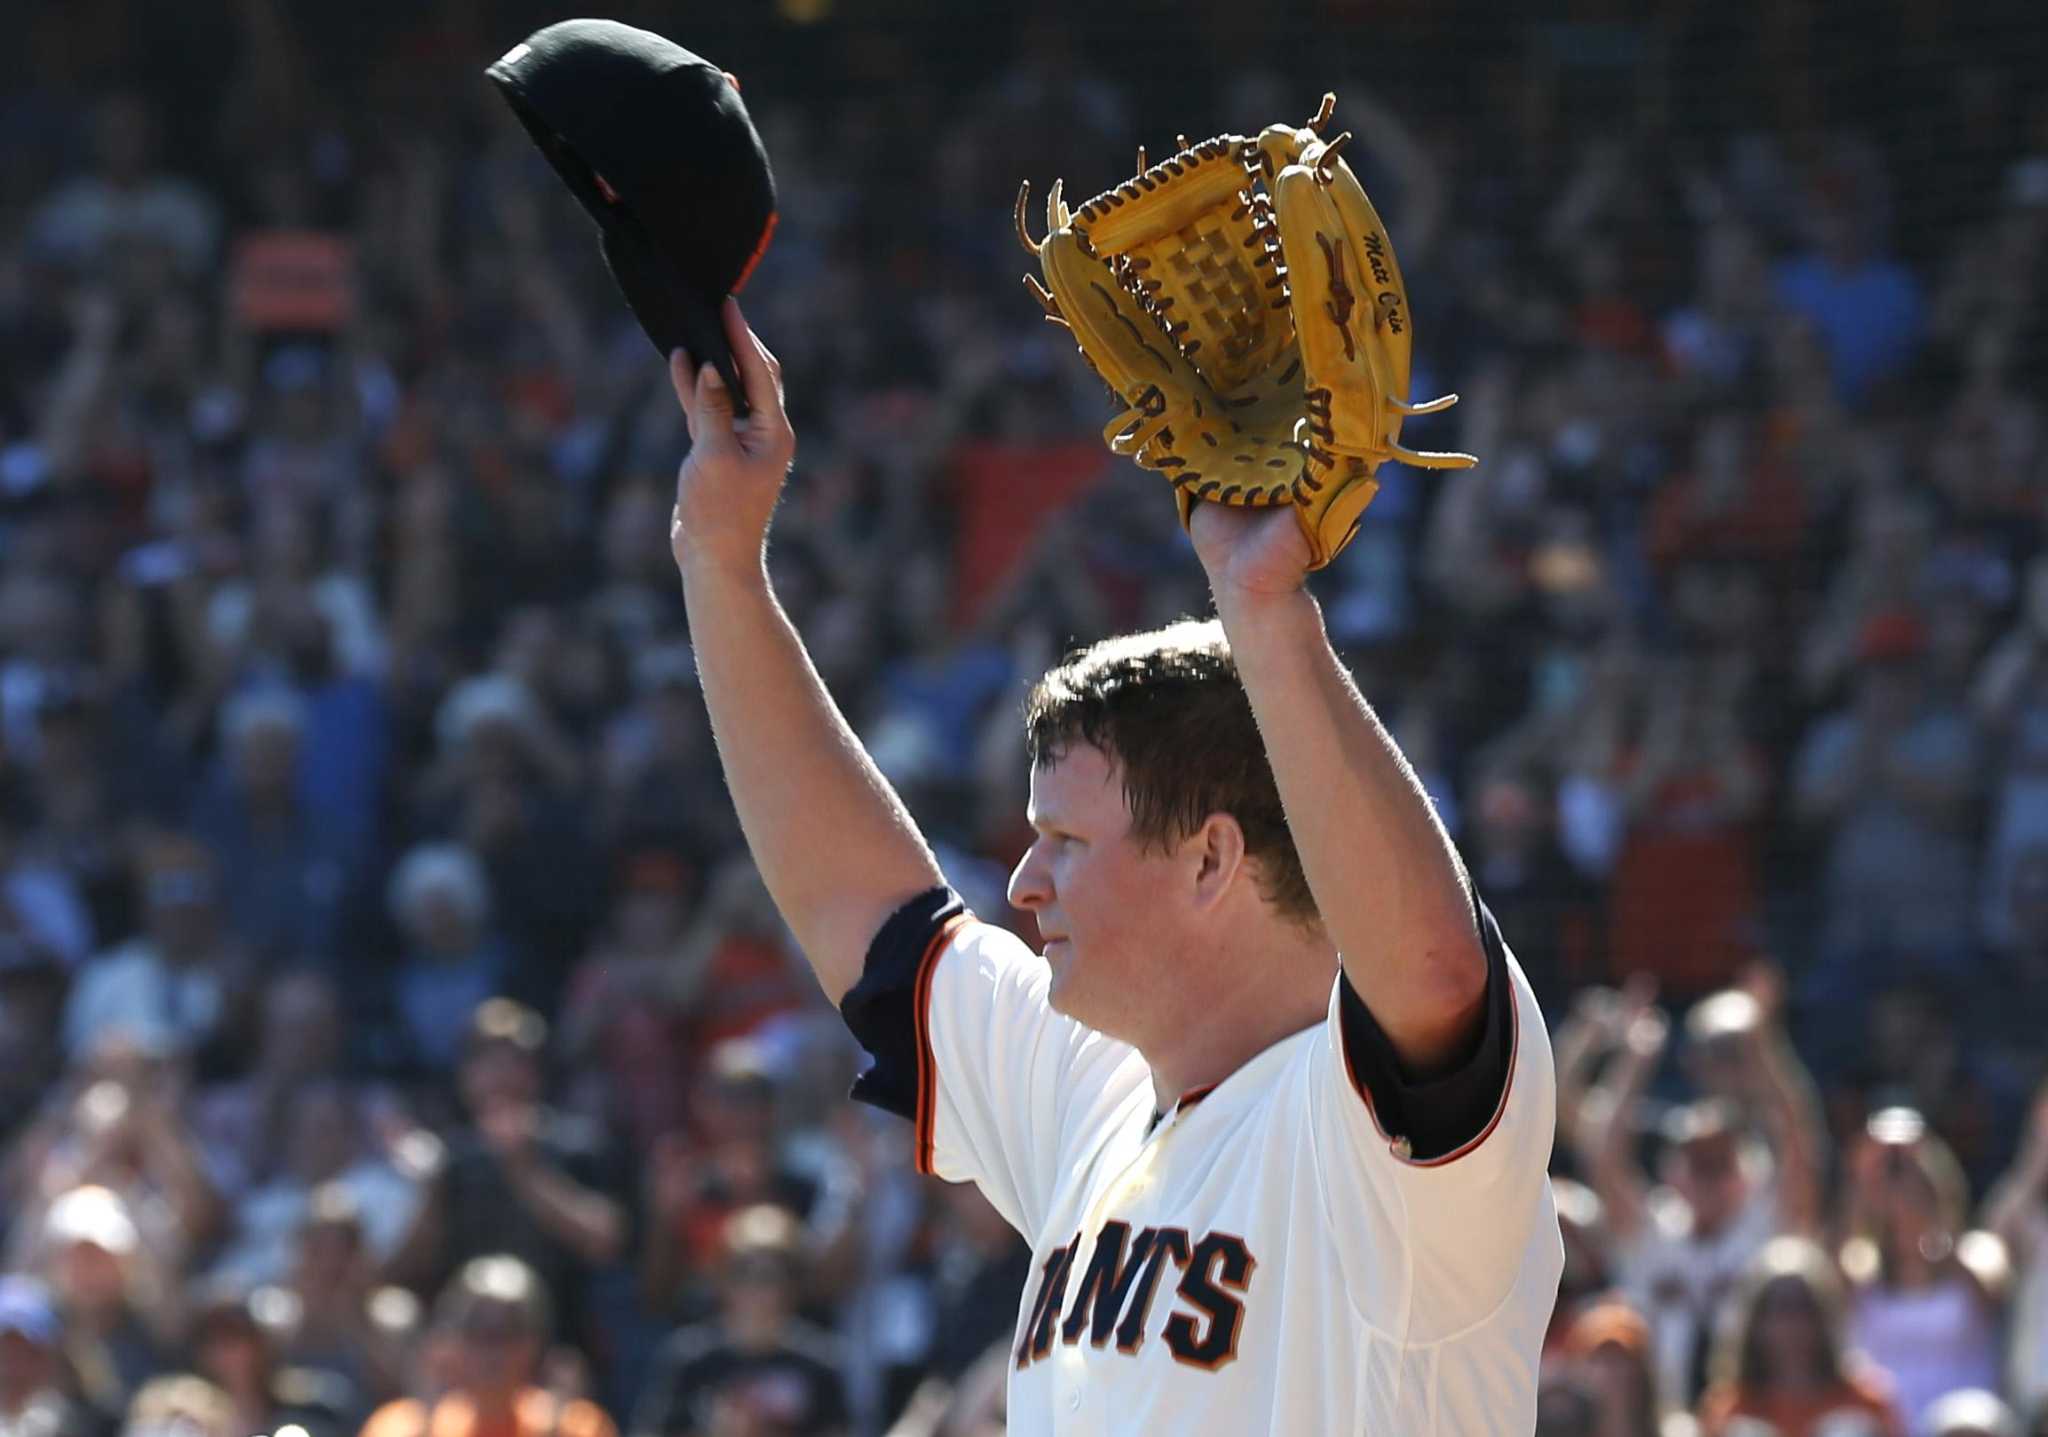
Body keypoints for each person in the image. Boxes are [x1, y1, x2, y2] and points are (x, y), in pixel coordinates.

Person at [664, 298, 1560, 1429]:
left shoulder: (1360, 1130)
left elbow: (1430, 977)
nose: (1024, 883)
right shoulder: (1092, 1084)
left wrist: (1266, 617)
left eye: (1067, 843)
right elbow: (868, 911)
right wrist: (720, 561)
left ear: (1209, 859)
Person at [355, 1256, 614, 1437]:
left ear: (536, 1343)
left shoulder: (579, 1427)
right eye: (477, 1331)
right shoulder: (400, 1428)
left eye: (508, 1332)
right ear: (449, 1342)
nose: (492, 1350)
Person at [1694, 1237, 1905, 1437]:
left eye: (1805, 1308)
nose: (1793, 1324)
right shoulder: (1728, 1410)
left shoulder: (1868, 1405)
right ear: (1755, 1323)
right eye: (1780, 1309)